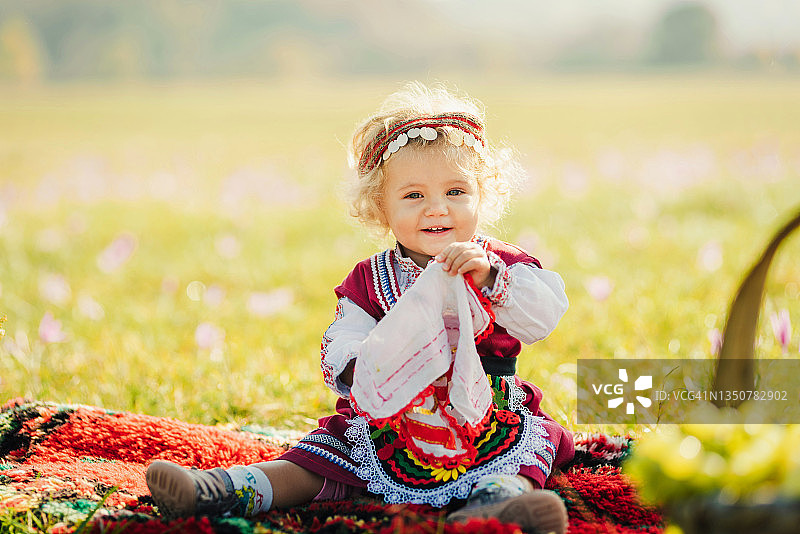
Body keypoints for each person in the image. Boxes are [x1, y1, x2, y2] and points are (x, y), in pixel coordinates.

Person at [147, 82, 573, 534]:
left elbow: (542, 317)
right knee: (318, 460)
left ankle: (494, 510)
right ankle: (221, 489)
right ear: (380, 207)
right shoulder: (371, 280)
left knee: (517, 459)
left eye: (455, 191)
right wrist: (361, 368)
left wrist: (490, 280)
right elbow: (342, 339)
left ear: (480, 195)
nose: (437, 209)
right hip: (392, 421)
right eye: (413, 196)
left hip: (487, 417)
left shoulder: (500, 264)